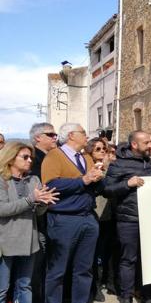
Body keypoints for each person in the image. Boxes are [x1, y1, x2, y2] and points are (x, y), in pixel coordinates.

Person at [41, 123, 105, 303]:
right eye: (83, 132)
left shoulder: (86, 156)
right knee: (57, 271)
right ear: (71, 135)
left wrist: (99, 179)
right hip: (64, 219)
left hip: (88, 217)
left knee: (84, 269)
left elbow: (95, 185)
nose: (87, 135)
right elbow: (51, 184)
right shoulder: (54, 156)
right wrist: (83, 180)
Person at [104, 131, 151, 303]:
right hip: (129, 220)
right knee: (128, 259)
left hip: (150, 219)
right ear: (134, 145)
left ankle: (147, 294)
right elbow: (106, 190)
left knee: (149, 258)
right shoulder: (119, 164)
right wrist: (127, 184)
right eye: (146, 142)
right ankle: (126, 295)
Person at [0, 142, 58, 303]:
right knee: (2, 289)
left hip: (29, 241)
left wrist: (44, 203)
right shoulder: (2, 180)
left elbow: (38, 213)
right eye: (25, 157)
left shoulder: (33, 180)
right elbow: (2, 209)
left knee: (25, 285)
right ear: (11, 158)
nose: (30, 161)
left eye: (30, 157)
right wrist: (31, 199)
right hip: (4, 242)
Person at [27, 122, 57, 302]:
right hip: (38, 219)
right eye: (50, 134)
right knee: (37, 265)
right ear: (38, 138)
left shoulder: (54, 157)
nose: (55, 137)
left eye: (55, 135)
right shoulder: (32, 160)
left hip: (53, 216)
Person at [84, 138, 114, 302]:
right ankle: (94, 287)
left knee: (107, 252)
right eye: (98, 149)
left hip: (108, 215)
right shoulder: (86, 169)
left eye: (104, 148)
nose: (102, 151)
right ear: (90, 152)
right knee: (92, 255)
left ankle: (108, 282)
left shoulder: (110, 167)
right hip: (93, 214)